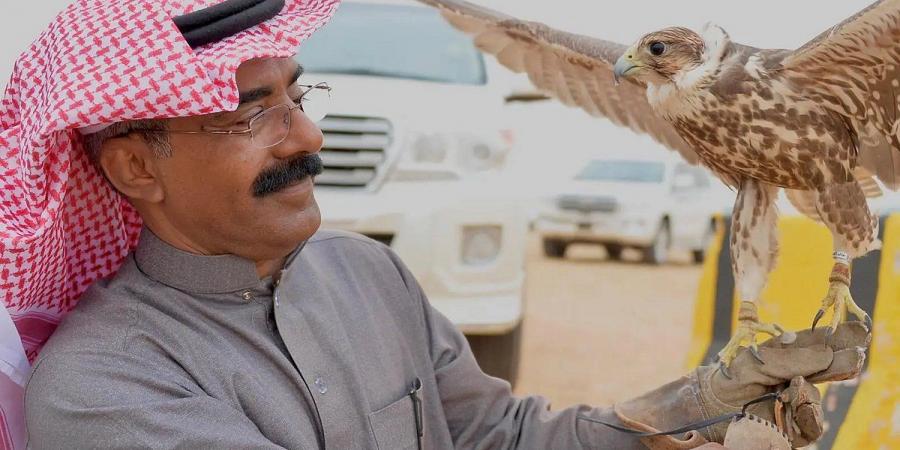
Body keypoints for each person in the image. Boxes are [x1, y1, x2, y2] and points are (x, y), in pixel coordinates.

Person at [1, 1, 869, 449]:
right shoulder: (103, 388)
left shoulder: (366, 275)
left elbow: (503, 439)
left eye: (300, 97)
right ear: (134, 167)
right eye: (249, 115)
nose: (307, 135)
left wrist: (699, 407)